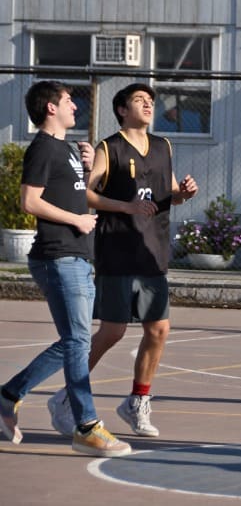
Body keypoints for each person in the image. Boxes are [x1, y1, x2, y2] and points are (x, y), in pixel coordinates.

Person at [47, 82, 198, 438]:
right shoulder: (109, 147)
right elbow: (86, 194)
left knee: (159, 329)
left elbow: (171, 195)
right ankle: (67, 398)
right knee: (112, 331)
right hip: (117, 249)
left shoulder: (164, 146)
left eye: (150, 101)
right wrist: (125, 206)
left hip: (152, 251)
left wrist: (184, 193)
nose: (147, 105)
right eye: (139, 100)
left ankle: (137, 402)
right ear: (121, 109)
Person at [0, 80, 131, 457]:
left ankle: (9, 395)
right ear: (50, 108)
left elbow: (73, 191)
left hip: (76, 256)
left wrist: (89, 168)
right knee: (77, 341)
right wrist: (77, 220)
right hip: (58, 256)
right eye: (68, 100)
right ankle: (86, 425)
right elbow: (29, 201)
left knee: (75, 341)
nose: (76, 104)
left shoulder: (67, 148)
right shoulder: (42, 147)